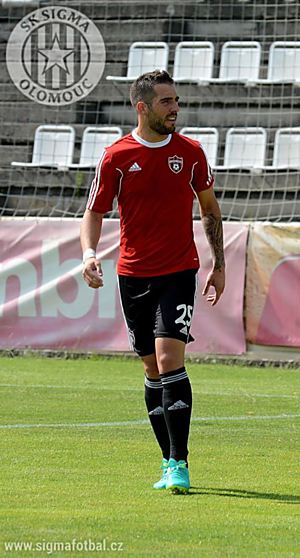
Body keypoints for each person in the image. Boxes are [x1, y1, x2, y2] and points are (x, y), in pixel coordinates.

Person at [80, 70, 225, 494]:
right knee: (149, 367)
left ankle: (180, 463)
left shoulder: (192, 152)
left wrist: (219, 263)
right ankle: (166, 459)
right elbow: (94, 211)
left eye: (176, 100)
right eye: (166, 102)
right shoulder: (116, 157)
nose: (175, 108)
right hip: (132, 275)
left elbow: (210, 210)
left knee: (168, 359)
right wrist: (89, 254)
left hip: (179, 271)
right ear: (142, 107)